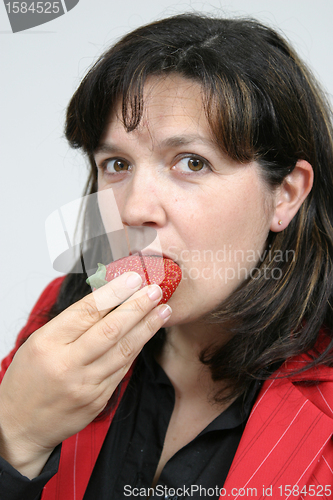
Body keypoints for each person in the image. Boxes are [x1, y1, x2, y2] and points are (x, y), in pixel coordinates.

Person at [0, 12, 333, 500]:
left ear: (284, 194)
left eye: (191, 163)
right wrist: (16, 436)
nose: (134, 208)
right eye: (117, 164)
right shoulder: (60, 322)